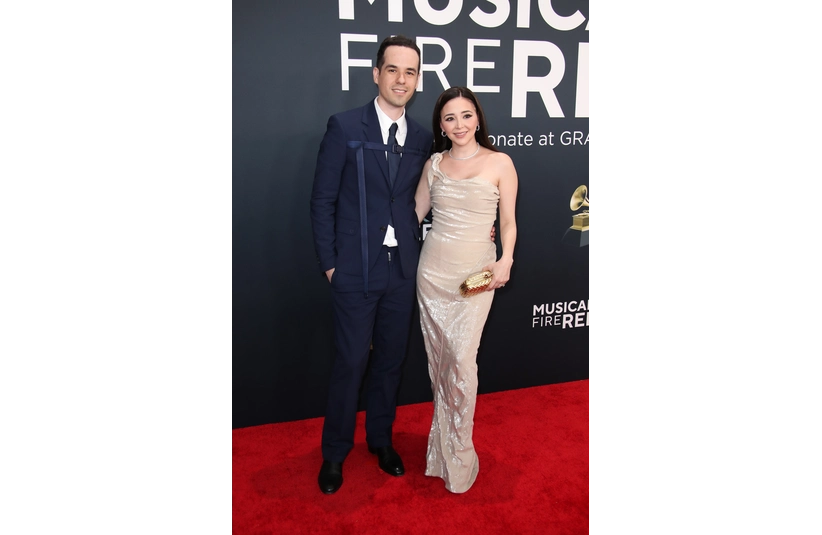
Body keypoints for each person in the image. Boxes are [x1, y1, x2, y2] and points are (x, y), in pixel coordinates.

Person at [309, 35, 434, 495]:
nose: (402, 79)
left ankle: (380, 440)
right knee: (349, 363)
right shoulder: (344, 127)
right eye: (394, 69)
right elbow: (322, 200)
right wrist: (330, 265)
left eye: (411, 72)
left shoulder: (422, 137)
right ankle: (335, 453)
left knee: (391, 363)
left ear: (417, 80)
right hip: (353, 269)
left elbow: (424, 198)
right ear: (377, 73)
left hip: (401, 269)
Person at [413, 86, 519, 494]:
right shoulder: (433, 165)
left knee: (461, 360)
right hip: (432, 274)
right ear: (441, 125)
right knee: (440, 363)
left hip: (476, 275)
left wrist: (505, 259)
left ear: (478, 118)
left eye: (466, 115)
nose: (459, 125)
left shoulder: (500, 162)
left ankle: (459, 451)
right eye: (450, 118)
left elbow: (507, 221)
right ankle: (441, 450)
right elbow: (413, 215)